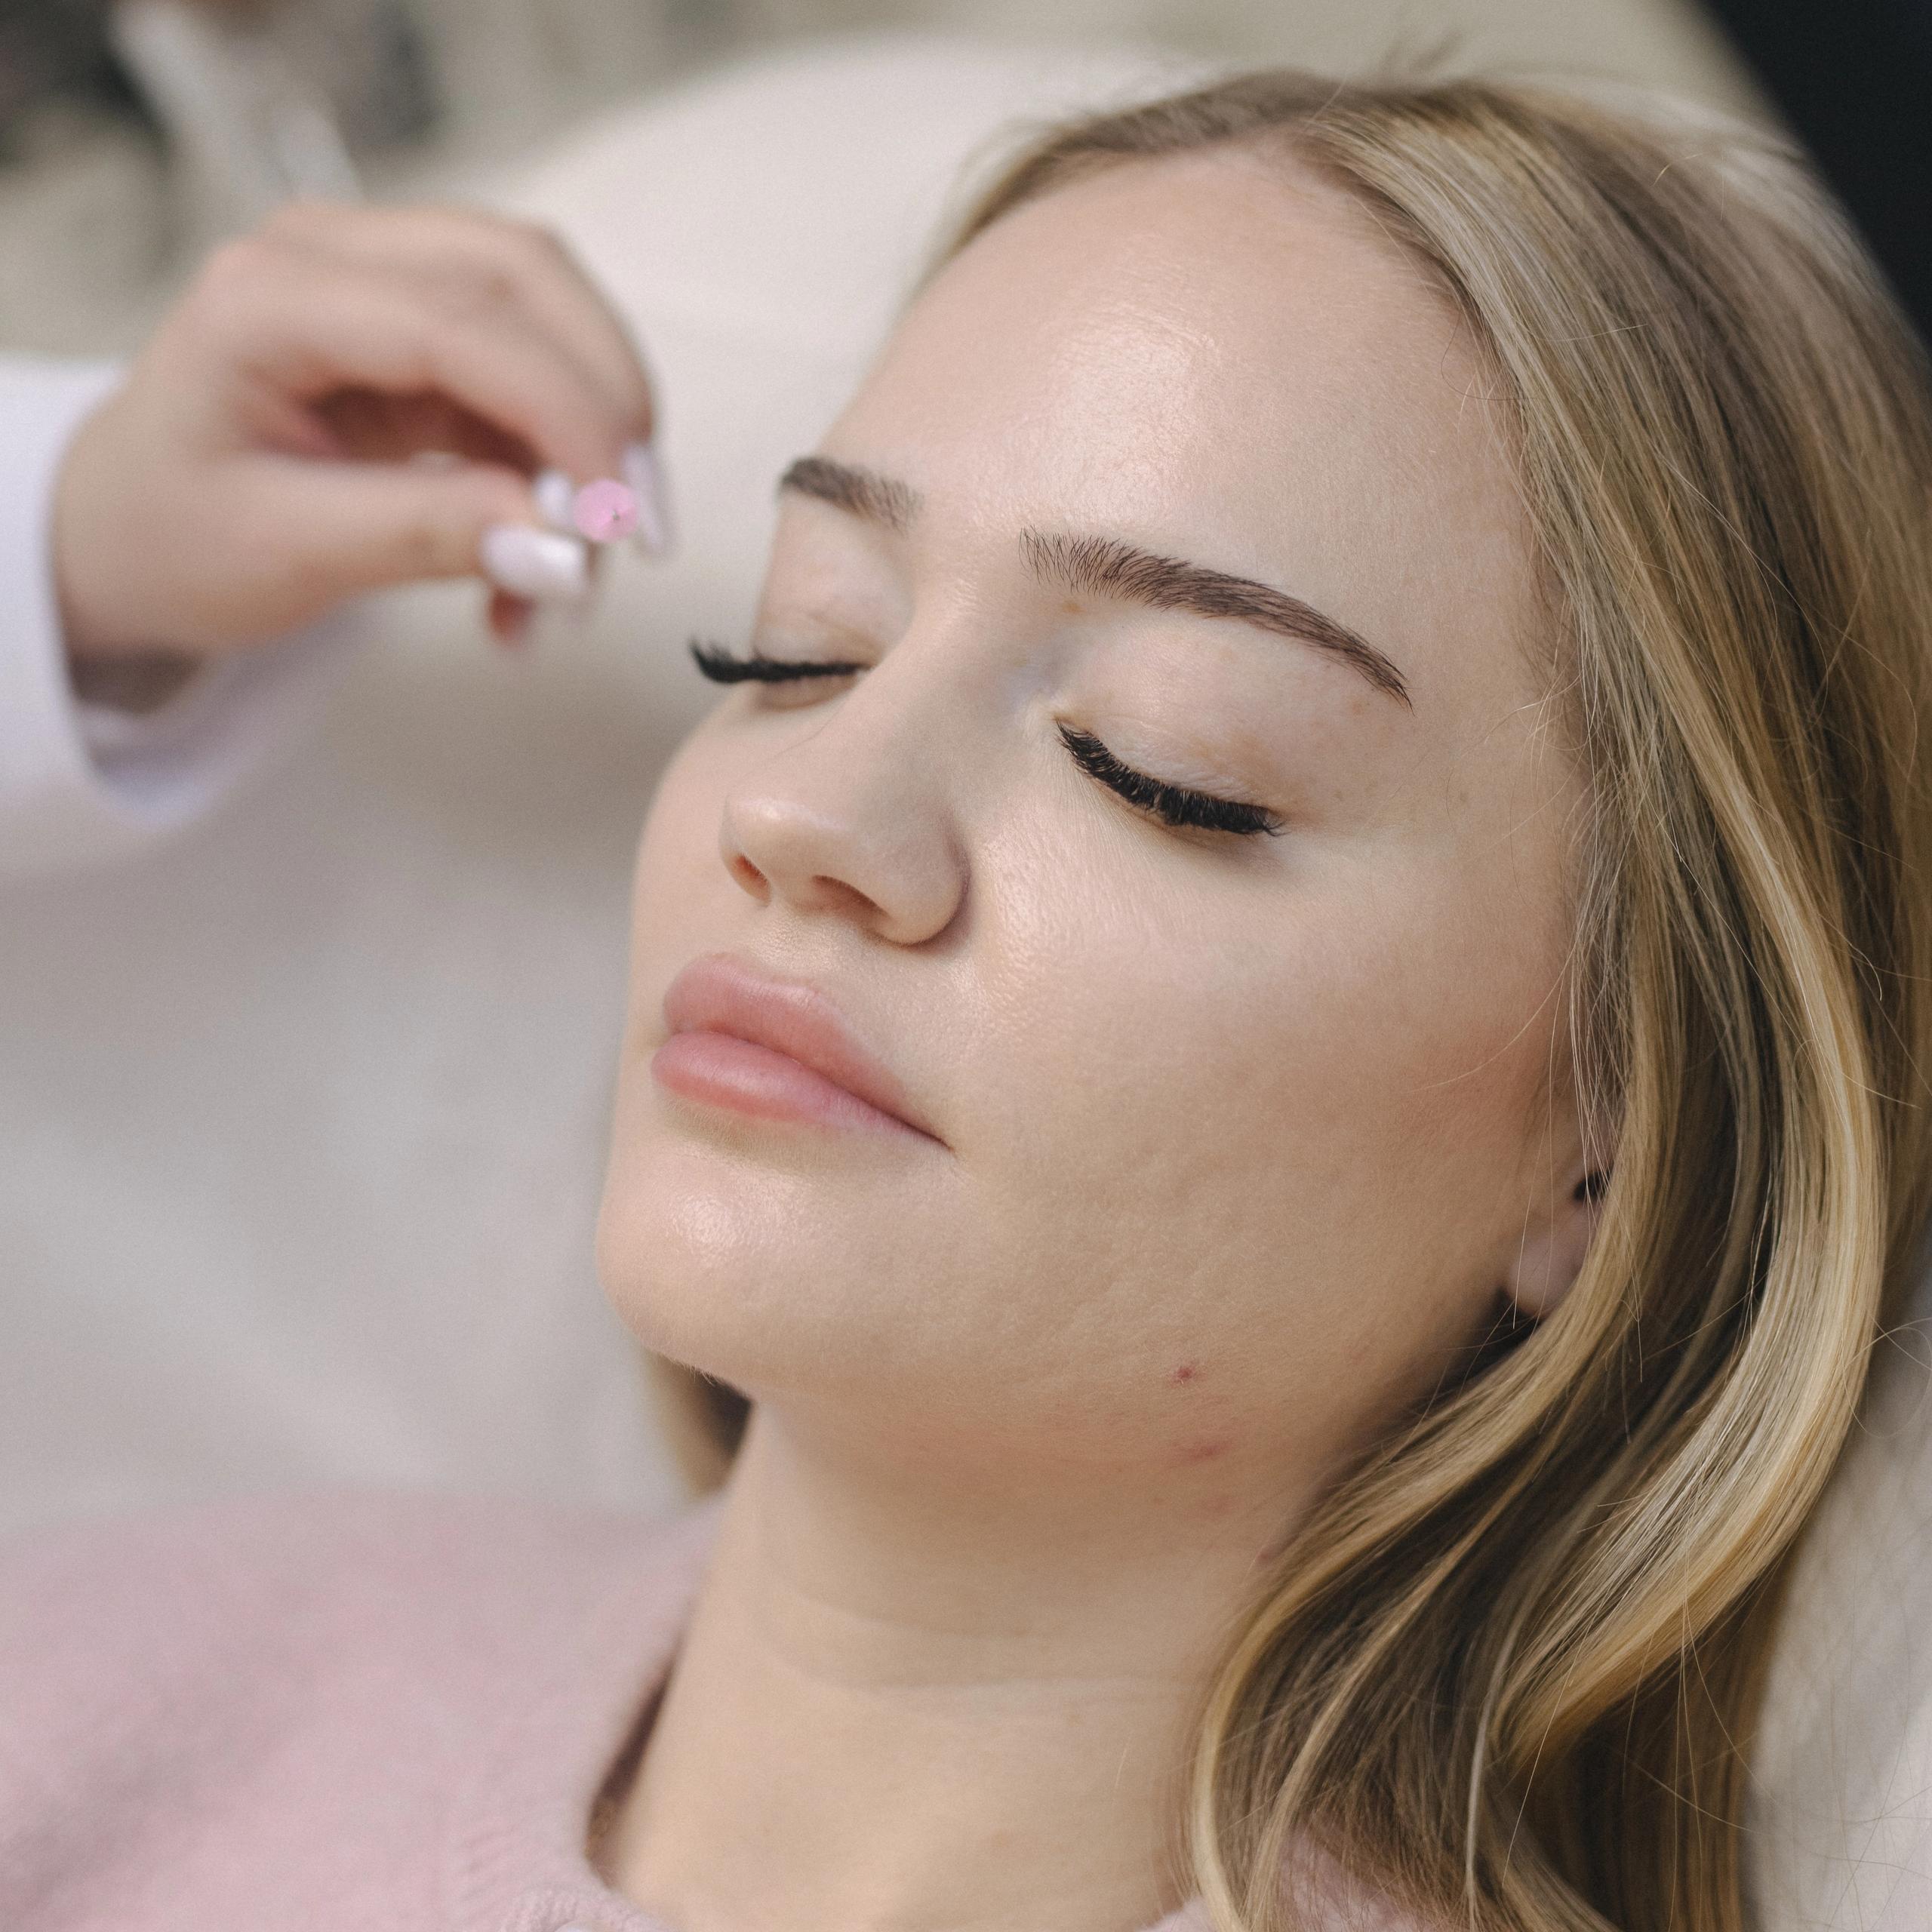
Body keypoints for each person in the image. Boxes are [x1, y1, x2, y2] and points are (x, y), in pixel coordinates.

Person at [6, 61, 1932, 1932]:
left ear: (1607, 1147)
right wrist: (73, 557)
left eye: (1161, 765)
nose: (802, 810)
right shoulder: (107, 1691)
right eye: (796, 642)